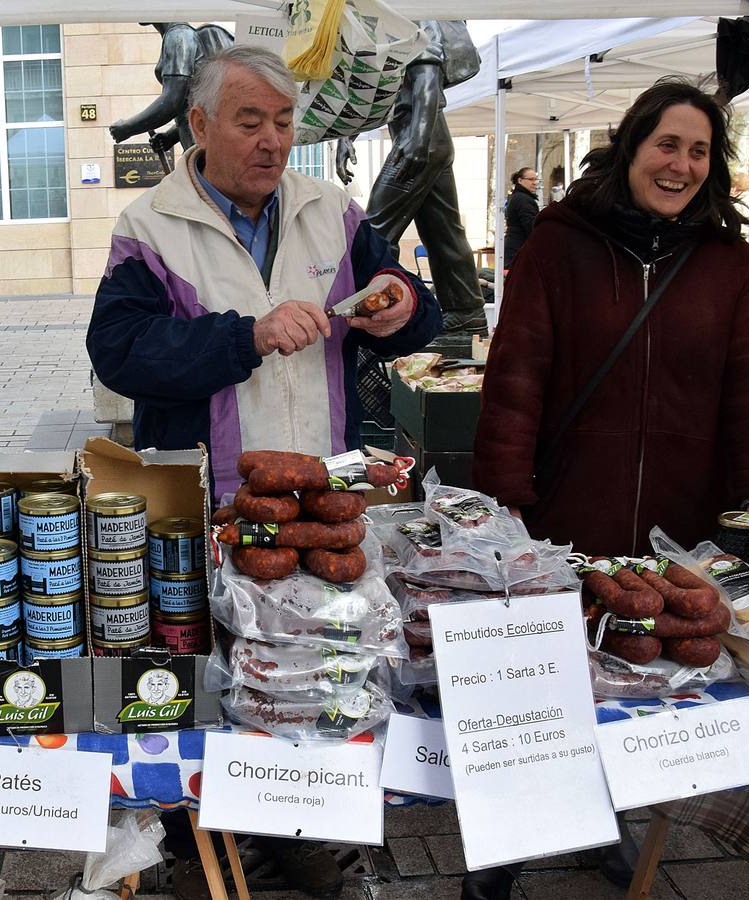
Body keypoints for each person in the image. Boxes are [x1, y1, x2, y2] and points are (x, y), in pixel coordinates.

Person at [88, 45, 441, 900]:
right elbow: (120, 351)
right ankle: (203, 841)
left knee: (313, 669)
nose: (272, 140)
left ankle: (308, 832)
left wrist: (397, 305)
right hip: (206, 501)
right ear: (200, 125)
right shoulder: (151, 225)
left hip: (318, 501)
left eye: (283, 122)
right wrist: (239, 336)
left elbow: (416, 310)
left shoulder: (334, 211)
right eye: (249, 121)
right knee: (211, 674)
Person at [468, 77, 749, 898]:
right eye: (666, 145)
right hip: (568, 510)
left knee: (643, 678)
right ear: (633, 148)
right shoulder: (559, 240)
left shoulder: (726, 260)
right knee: (543, 682)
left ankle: (606, 818)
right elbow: (517, 373)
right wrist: (504, 492)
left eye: (697, 151)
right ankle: (500, 853)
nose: (680, 164)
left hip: (676, 525)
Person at [335, 20, 485, 353]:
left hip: (421, 138)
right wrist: (348, 136)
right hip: (426, 137)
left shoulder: (410, 15)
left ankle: (362, 317)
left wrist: (417, 140)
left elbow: (428, 76)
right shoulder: (385, 19)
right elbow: (377, 91)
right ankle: (467, 312)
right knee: (443, 232)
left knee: (374, 230)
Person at [108, 23, 234, 156]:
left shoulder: (178, 35)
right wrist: (171, 136)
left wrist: (128, 127)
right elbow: (191, 106)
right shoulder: (183, 34)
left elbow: (173, 101)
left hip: (205, 153)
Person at [501, 167, 540, 270]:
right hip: (519, 249)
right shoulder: (523, 199)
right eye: (531, 179)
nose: (535, 182)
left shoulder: (518, 197)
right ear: (520, 180)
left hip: (515, 248)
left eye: (536, 179)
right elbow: (531, 226)